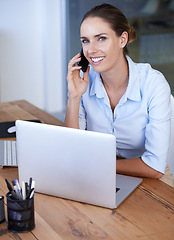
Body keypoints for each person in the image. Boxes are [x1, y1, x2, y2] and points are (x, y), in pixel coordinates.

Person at [64, 3, 171, 179]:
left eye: (101, 38)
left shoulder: (153, 84)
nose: (91, 50)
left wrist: (98, 165)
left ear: (122, 39)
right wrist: (74, 97)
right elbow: (71, 148)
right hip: (98, 171)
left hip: (146, 177)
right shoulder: (84, 80)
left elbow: (154, 167)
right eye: (85, 40)